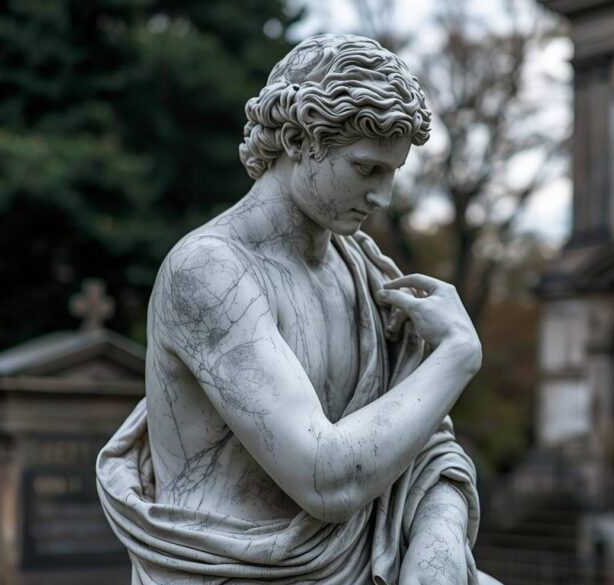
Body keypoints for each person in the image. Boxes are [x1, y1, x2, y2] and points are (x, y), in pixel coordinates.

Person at [97, 34, 498, 585]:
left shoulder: (364, 269)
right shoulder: (209, 273)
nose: (383, 197)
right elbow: (326, 481)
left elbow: (427, 449)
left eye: (393, 172)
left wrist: (439, 545)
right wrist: (457, 354)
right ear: (295, 140)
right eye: (366, 168)